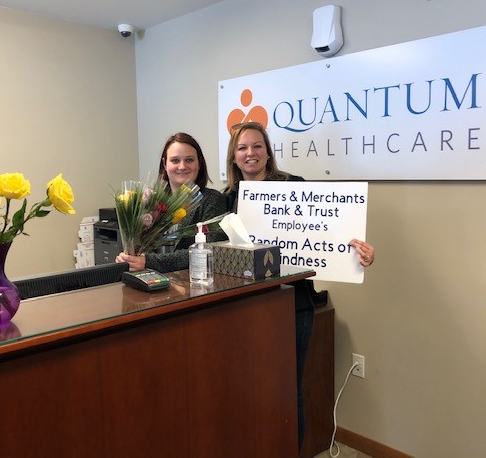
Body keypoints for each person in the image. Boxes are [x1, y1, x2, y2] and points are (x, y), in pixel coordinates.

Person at [223, 121, 375, 453]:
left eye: (257, 146)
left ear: (268, 152)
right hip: (245, 308)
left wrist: (357, 253)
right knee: (250, 391)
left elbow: (325, 233)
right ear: (233, 156)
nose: (251, 153)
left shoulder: (294, 186)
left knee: (290, 389)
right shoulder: (226, 200)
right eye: (243, 147)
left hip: (294, 303)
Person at [115, 132, 227, 272]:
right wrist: (128, 258)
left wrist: (149, 262)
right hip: (149, 282)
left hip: (192, 285)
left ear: (199, 163)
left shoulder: (213, 200)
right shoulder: (150, 201)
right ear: (165, 164)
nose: (182, 166)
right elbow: (137, 246)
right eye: (175, 160)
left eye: (189, 160)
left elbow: (212, 250)